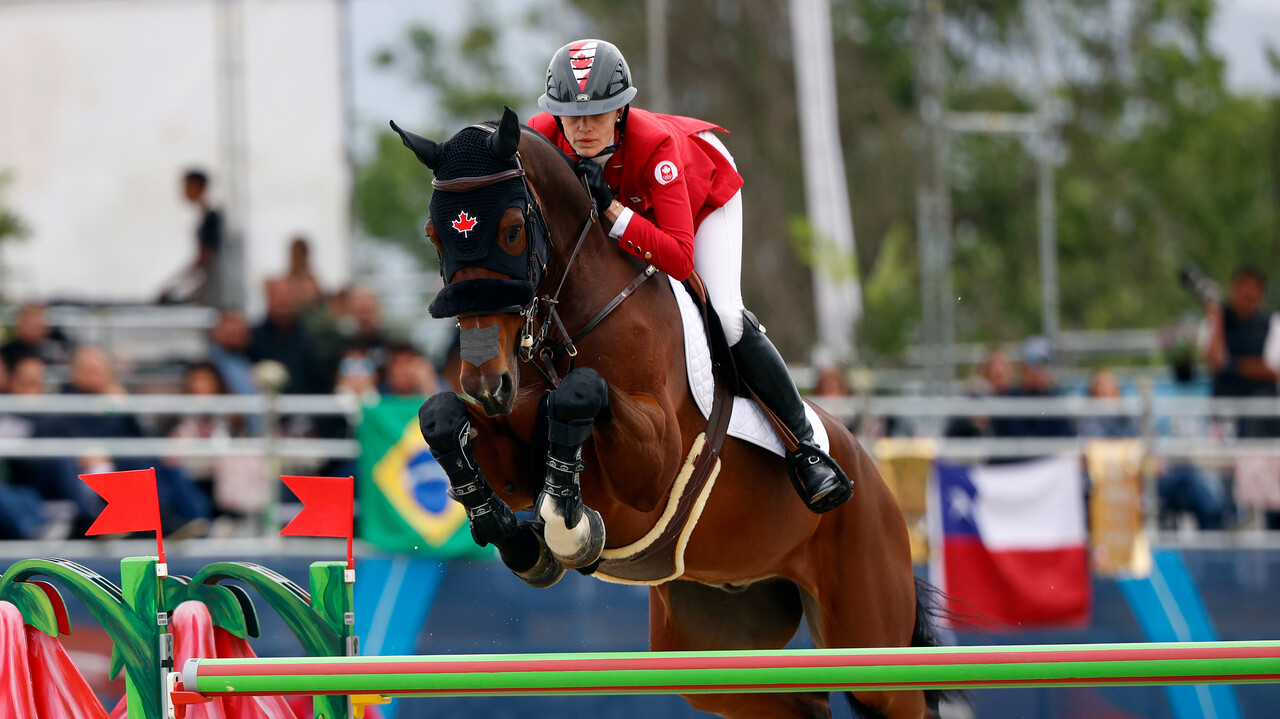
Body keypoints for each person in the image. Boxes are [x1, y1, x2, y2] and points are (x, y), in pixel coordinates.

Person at [528, 39, 849, 513]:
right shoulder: (540, 138)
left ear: (620, 110)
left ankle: (805, 447)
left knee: (726, 314)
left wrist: (612, 208)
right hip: (638, 211)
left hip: (700, 192)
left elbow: (679, 257)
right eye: (570, 115)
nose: (581, 127)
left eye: (597, 113)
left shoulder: (655, 147)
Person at [1200, 265, 1280, 528]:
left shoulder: (1272, 324)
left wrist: (1232, 365)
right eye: (1241, 287)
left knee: (1267, 497)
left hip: (1263, 425)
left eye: (1252, 288)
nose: (1246, 294)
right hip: (1226, 420)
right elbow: (1212, 360)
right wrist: (1216, 321)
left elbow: (1271, 370)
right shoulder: (1216, 322)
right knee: (1226, 495)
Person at [158, 169, 223, 305]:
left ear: (200, 188)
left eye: (188, 186)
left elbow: (202, 260)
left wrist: (173, 285)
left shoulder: (211, 219)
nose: (184, 191)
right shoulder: (207, 218)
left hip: (214, 290)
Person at [1, 302, 73, 370]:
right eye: (31, 320)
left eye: (39, 319)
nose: (36, 325)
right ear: (20, 322)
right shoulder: (6, 353)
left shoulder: (54, 350)